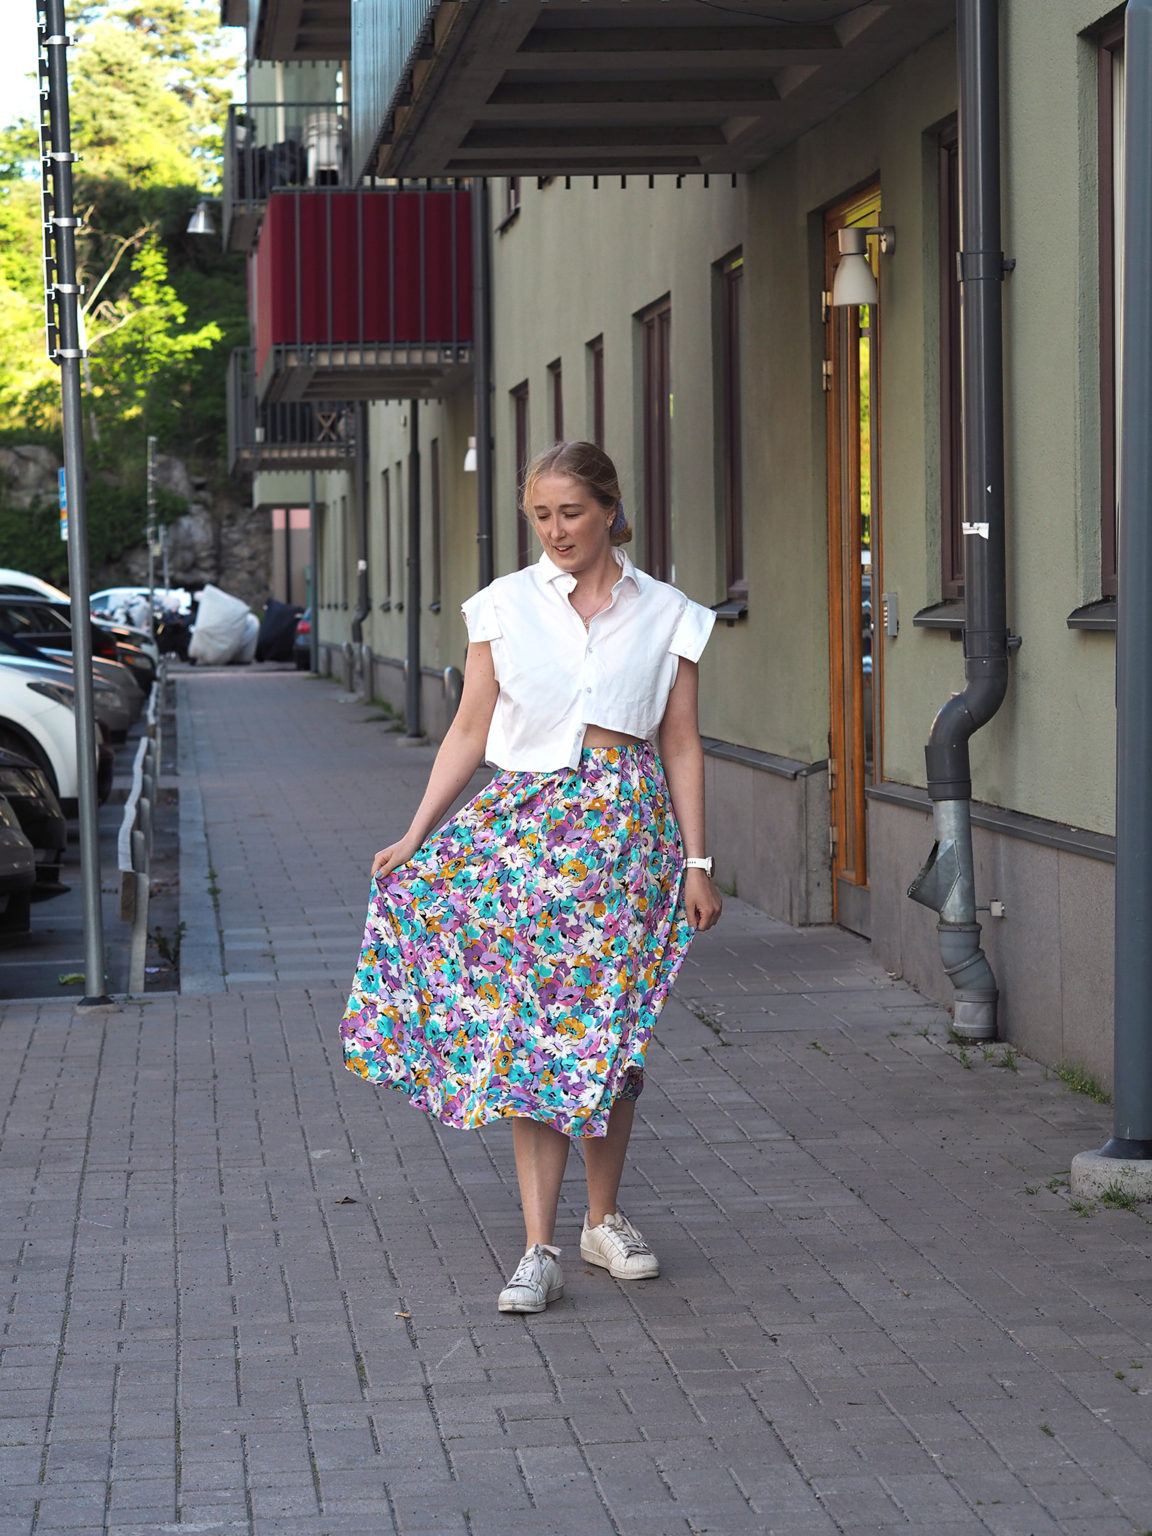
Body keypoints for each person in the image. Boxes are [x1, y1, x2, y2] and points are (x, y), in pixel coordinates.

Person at [340, 440, 722, 1314]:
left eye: (572, 513)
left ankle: (605, 1219)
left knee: (612, 1037)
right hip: (525, 846)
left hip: (628, 845)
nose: (555, 530)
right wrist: (414, 832)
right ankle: (537, 1246)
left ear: (610, 509)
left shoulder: (668, 614)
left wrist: (698, 864)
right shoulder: (502, 608)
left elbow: (682, 743)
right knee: (533, 1039)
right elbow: (471, 731)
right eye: (541, 515)